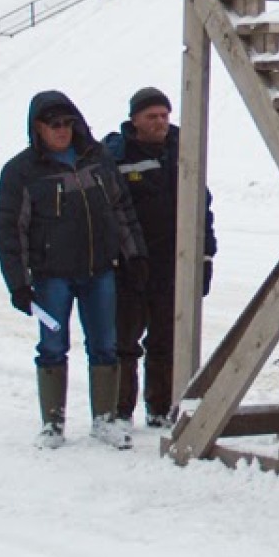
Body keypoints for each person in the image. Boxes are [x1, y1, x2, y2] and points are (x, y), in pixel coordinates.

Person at [0, 90, 147, 450]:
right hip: (51, 277)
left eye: (67, 123)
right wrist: (18, 284)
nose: (62, 130)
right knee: (52, 347)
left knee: (105, 345)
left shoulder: (98, 159)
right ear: (38, 128)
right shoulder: (21, 172)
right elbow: (9, 230)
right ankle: (52, 424)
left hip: (100, 271)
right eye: (54, 124)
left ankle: (104, 419)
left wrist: (135, 255)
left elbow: (122, 209)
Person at [103, 86, 216, 428]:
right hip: (130, 266)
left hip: (172, 264)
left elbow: (202, 207)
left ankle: (161, 408)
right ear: (134, 120)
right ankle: (120, 411)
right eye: (152, 116)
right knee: (124, 343)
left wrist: (206, 256)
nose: (160, 122)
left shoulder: (182, 150)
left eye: (165, 115)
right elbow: (108, 212)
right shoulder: (116, 156)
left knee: (166, 341)